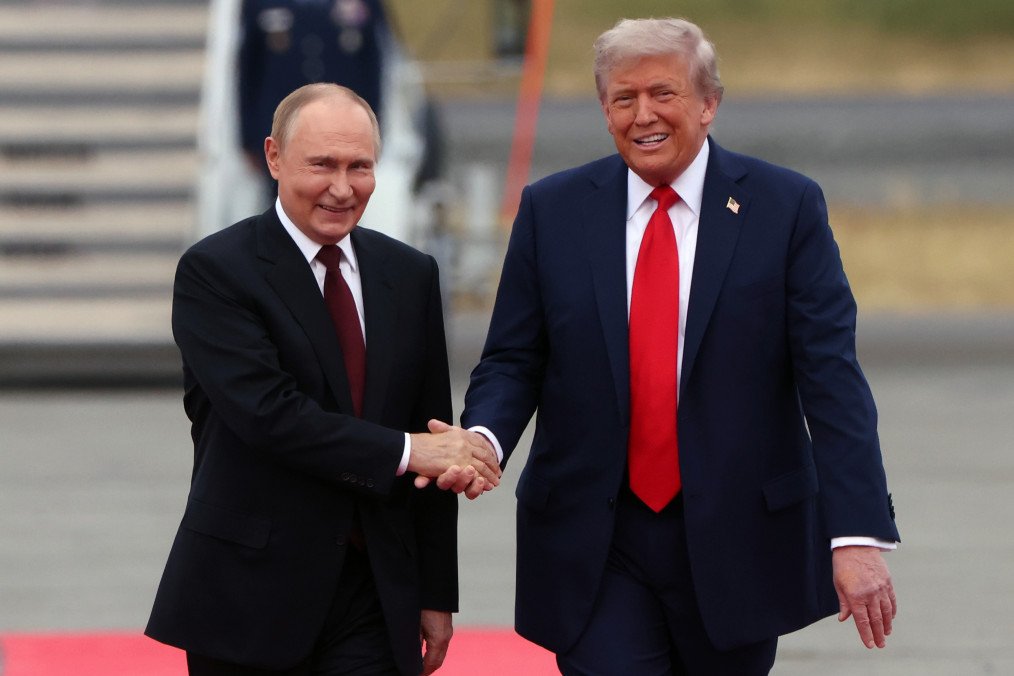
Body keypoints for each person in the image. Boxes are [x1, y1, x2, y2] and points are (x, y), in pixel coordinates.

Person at [457, 17, 900, 675]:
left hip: (738, 536)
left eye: (663, 94)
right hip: (596, 535)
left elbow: (830, 377)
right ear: (604, 110)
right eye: (623, 98)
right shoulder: (553, 211)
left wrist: (856, 534)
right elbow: (516, 358)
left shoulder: (785, 209)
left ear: (708, 103)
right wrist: (483, 439)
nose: (644, 116)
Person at [146, 83, 499, 676]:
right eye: (323, 165)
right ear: (274, 158)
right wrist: (412, 451)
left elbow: (432, 428)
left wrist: (437, 590)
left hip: (373, 592)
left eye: (360, 166)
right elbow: (271, 416)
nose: (343, 187)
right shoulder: (216, 273)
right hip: (249, 594)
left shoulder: (409, 276)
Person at [238, 0, 389, 196]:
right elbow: (248, 71)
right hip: (283, 132)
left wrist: (374, 127)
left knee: (341, 200)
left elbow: (373, 67)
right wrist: (248, 139)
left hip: (344, 130)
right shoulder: (259, 4)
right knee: (285, 208)